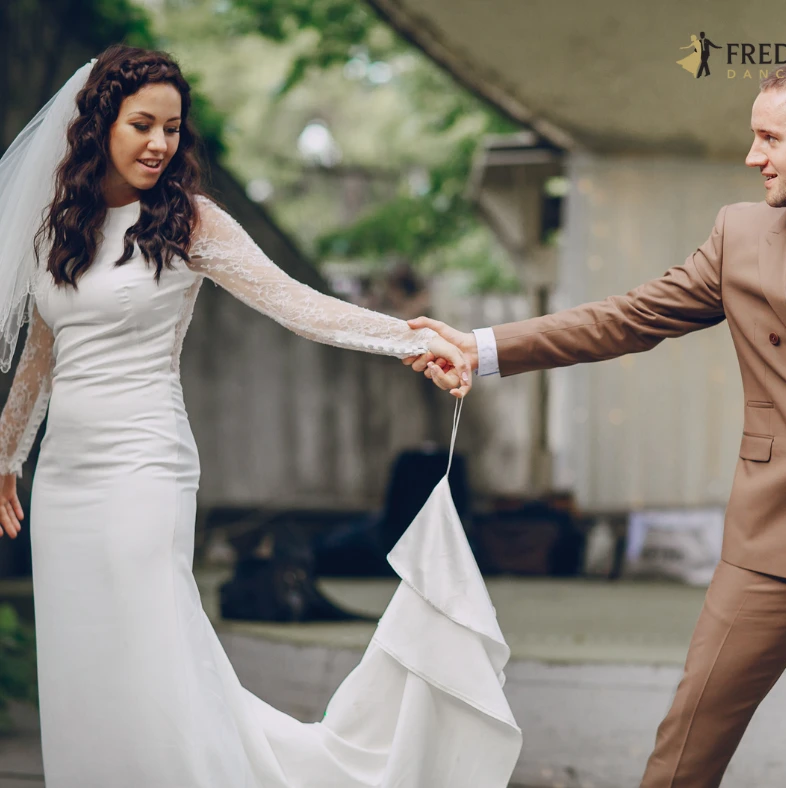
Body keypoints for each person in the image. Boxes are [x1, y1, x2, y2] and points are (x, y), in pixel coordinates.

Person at [0, 46, 523, 787]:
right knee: (82, 655)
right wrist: (6, 456)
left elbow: (300, 307)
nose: (159, 143)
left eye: (172, 128)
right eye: (141, 124)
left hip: (146, 467)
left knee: (155, 649)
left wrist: (411, 339)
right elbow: (40, 356)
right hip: (65, 481)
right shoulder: (61, 227)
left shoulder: (190, 222)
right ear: (98, 126)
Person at [407, 62, 786, 786]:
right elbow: (627, 318)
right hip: (779, 518)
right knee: (687, 744)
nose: (752, 156)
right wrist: (482, 348)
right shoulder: (739, 234)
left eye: (767, 138)